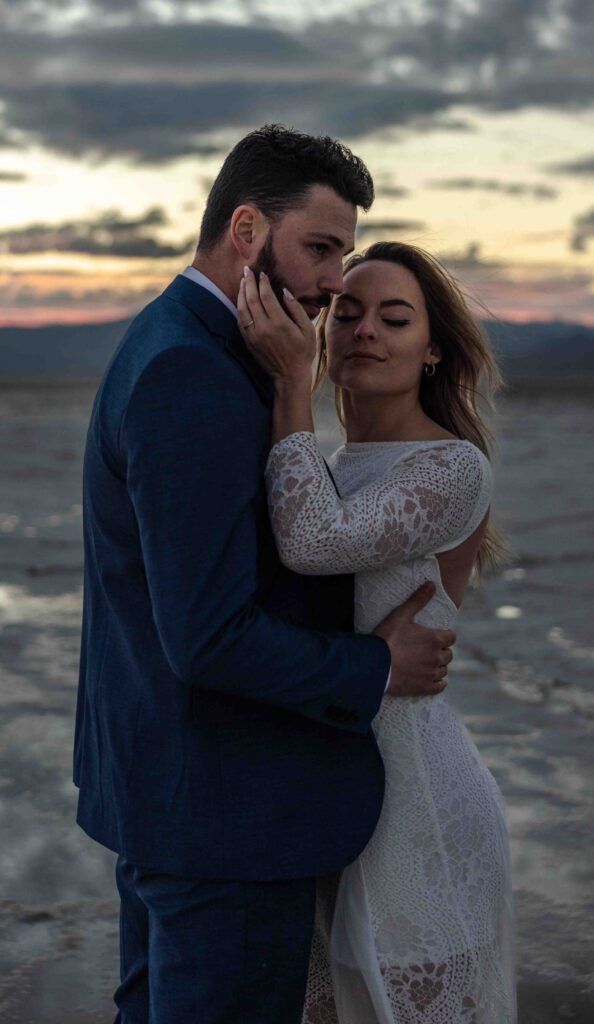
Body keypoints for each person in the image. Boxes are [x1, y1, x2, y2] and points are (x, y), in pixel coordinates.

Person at [73, 126, 458, 1024]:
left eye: (345, 255)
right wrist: (378, 668)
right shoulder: (191, 374)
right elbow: (208, 635)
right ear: (246, 230)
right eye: (320, 249)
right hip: (225, 818)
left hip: (177, 796)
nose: (335, 281)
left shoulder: (183, 344)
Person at [238, 240, 517, 1023]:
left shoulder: (454, 468)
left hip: (418, 804)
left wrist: (290, 382)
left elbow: (313, 544)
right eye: (348, 314)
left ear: (432, 350)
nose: (365, 330)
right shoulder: (326, 467)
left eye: (394, 318)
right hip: (330, 794)